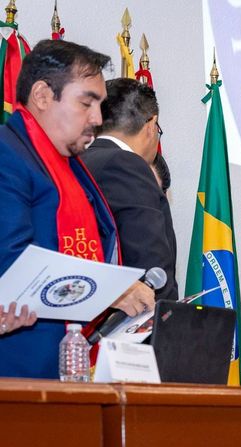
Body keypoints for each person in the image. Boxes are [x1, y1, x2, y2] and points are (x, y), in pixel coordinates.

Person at [0, 39, 154, 378]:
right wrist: (110, 290)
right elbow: (12, 265)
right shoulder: (7, 153)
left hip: (65, 362)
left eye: (100, 105)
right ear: (42, 95)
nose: (97, 118)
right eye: (87, 103)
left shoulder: (71, 165)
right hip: (16, 367)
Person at [83, 78, 178, 300]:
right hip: (130, 317)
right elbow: (151, 264)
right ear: (151, 125)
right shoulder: (126, 164)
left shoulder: (77, 162)